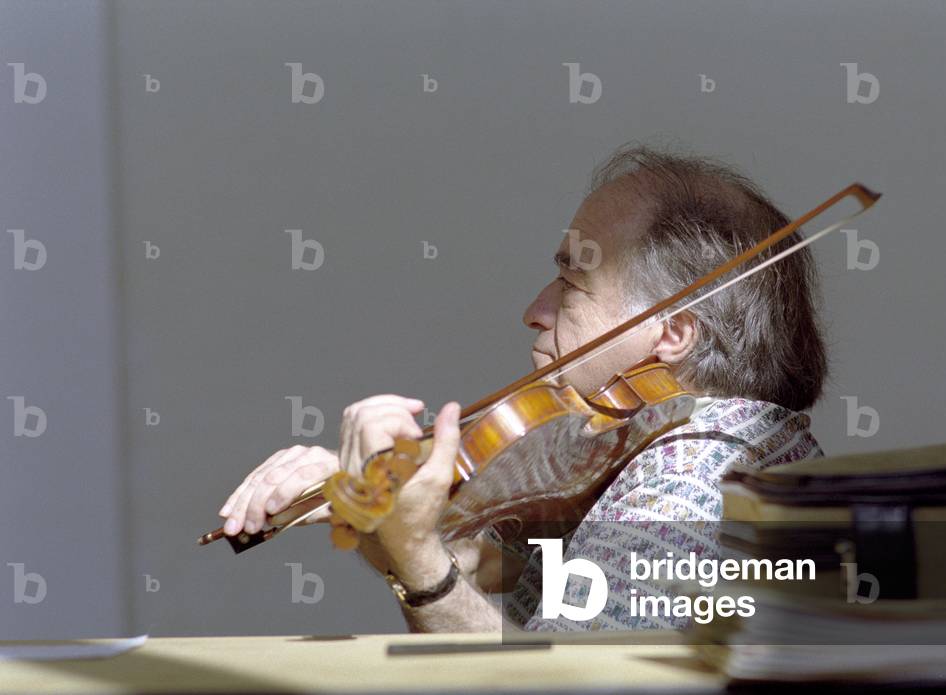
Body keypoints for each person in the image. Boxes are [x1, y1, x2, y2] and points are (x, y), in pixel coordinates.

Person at [217, 144, 828, 632]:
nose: (535, 310)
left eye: (573, 282)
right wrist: (383, 519)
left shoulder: (692, 481)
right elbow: (481, 570)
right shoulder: (626, 451)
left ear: (673, 333)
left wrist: (417, 559)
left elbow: (560, 684)